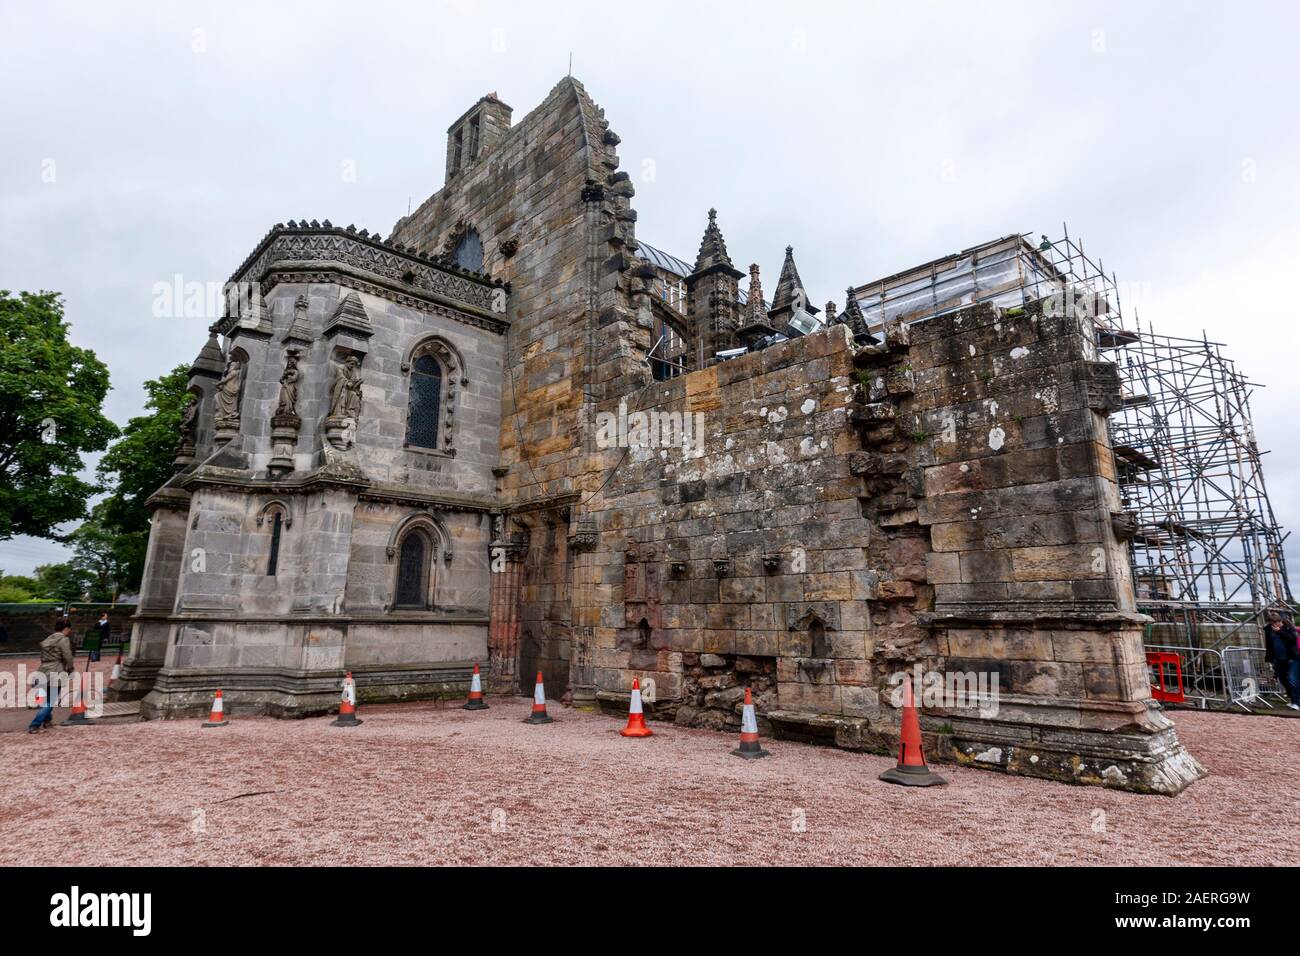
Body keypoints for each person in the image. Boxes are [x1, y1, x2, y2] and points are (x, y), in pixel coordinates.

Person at [28, 619, 74, 733]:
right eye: (69, 629)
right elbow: (68, 655)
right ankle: (34, 725)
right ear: (66, 628)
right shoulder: (63, 639)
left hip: (43, 669)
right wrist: (71, 668)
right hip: (56, 669)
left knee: (44, 699)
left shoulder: (48, 639)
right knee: (50, 701)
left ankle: (47, 721)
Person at [1263, 609, 1300, 711]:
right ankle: (1293, 699)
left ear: (1280, 621)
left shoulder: (1288, 627)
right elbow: (1269, 645)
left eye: (1277, 622)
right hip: (1278, 658)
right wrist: (1269, 658)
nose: (1276, 625)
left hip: (1292, 658)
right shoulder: (1268, 630)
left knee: (1292, 679)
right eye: (1273, 623)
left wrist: (1280, 632)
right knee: (1283, 679)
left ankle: (1297, 702)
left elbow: (1292, 639)